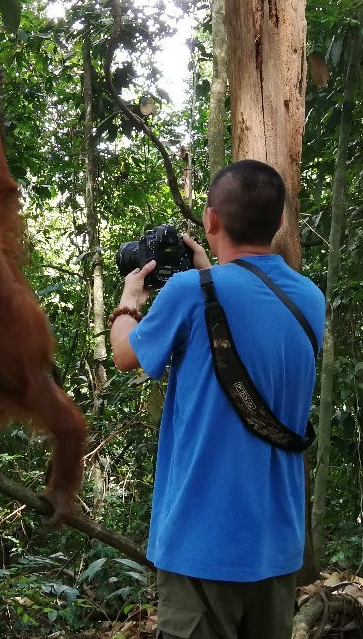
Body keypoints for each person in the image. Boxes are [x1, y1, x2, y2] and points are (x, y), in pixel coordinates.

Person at [110, 159, 326, 639]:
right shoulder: (310, 297)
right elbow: (249, 308)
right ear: (280, 223)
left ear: (210, 221)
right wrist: (208, 277)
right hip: (276, 545)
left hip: (201, 546)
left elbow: (126, 355)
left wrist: (129, 301)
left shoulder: (189, 292)